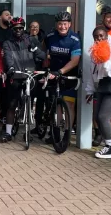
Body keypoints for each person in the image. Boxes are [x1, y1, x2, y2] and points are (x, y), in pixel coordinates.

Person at [2, 17, 46, 142]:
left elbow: (43, 56)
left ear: (24, 28)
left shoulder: (31, 40)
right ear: (12, 29)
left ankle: (28, 131)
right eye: (15, 28)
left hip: (29, 76)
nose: (18, 30)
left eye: (21, 28)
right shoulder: (7, 43)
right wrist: (10, 67)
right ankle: (8, 132)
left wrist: (35, 49)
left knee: (29, 103)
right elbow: (8, 58)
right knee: (12, 104)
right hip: (15, 75)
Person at [44, 11, 81, 143]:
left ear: (69, 24)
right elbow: (45, 52)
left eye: (65, 24)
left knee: (69, 105)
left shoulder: (75, 39)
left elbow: (75, 60)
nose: (62, 27)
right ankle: (55, 133)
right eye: (60, 24)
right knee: (56, 105)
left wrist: (61, 71)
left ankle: (67, 133)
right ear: (56, 25)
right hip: (54, 75)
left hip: (69, 76)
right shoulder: (50, 37)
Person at [85, 26, 111, 158]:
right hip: (102, 85)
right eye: (96, 36)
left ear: (106, 36)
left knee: (103, 117)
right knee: (97, 117)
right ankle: (109, 143)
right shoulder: (94, 52)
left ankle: (110, 146)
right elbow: (92, 72)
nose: (99, 38)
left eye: (101, 35)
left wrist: (105, 60)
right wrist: (89, 90)